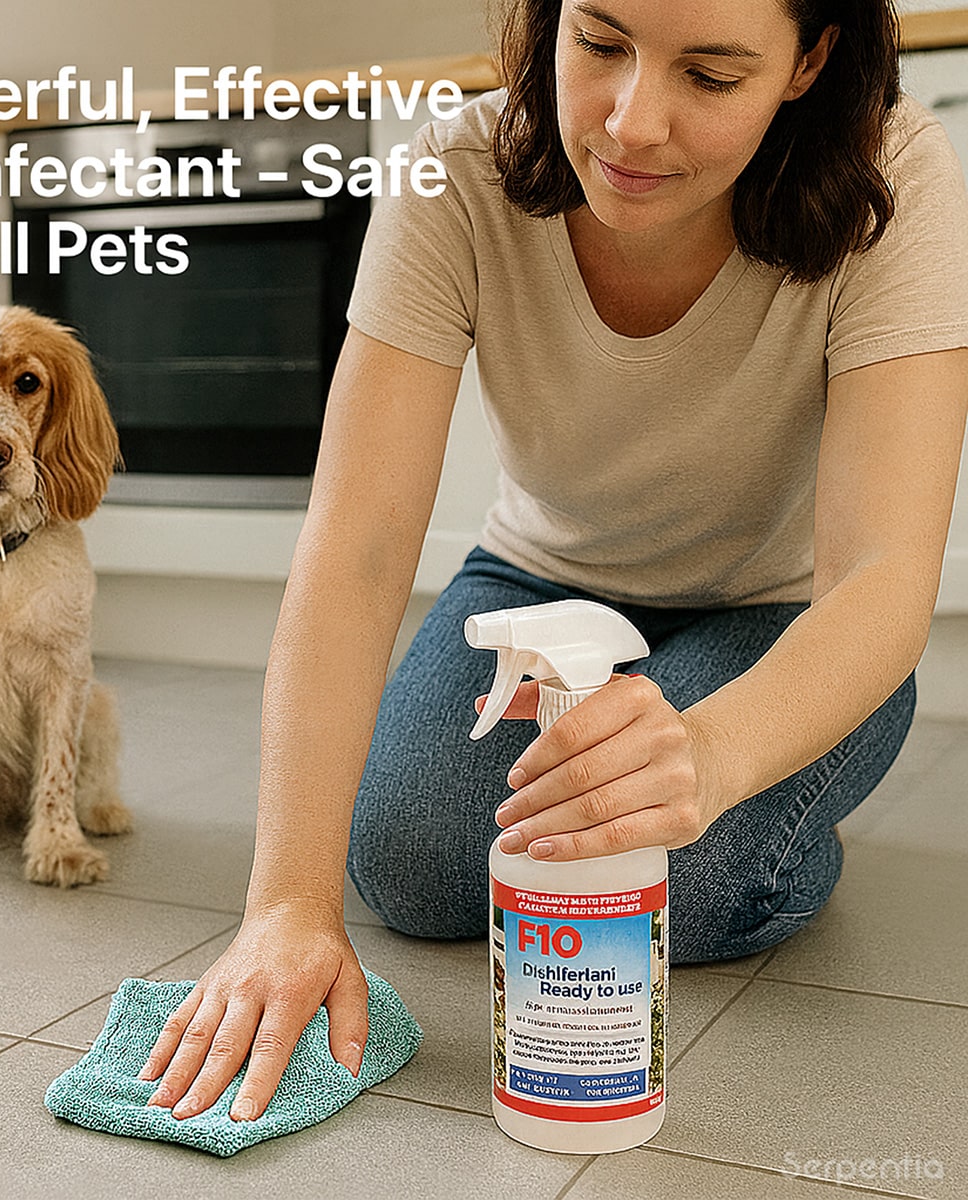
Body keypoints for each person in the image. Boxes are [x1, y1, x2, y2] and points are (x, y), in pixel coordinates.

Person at [139, 0, 968, 1123]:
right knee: (412, 863)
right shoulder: (458, 171)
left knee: (680, 873)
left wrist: (712, 755)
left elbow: (879, 576)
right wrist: (286, 903)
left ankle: (782, 823)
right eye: (600, 43)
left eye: (711, 77)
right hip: (539, 585)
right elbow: (359, 543)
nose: (631, 124)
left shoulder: (899, 177)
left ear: (809, 60)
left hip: (781, 612)